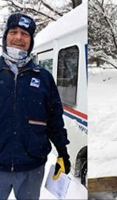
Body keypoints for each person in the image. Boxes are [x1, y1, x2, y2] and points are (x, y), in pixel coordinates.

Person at [0, 13, 70, 199]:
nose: (18, 38)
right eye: (13, 32)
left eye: (25, 34)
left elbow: (55, 118)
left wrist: (62, 151)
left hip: (32, 167)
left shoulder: (43, 77)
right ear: (5, 36)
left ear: (31, 40)